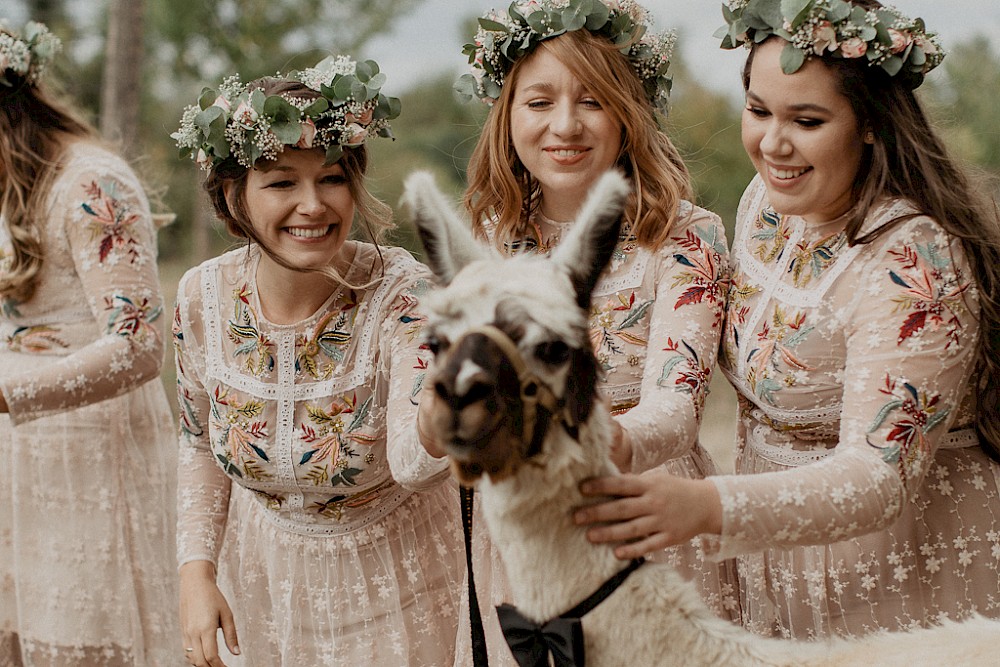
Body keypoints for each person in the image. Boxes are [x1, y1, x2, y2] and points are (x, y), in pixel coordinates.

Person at [575, 0, 1000, 640]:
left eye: (806, 120)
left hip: (905, 578)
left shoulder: (918, 259)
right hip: (777, 567)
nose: (773, 144)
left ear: (870, 124)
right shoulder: (766, 208)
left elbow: (877, 479)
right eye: (758, 111)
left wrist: (706, 506)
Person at [429, 1, 739, 661]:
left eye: (593, 100)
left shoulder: (685, 237)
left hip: (640, 515)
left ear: (629, 113)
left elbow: (677, 407)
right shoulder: (481, 244)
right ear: (506, 114)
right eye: (539, 101)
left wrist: (591, 447)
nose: (564, 124)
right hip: (525, 536)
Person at [170, 55, 465, 666]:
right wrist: (195, 574)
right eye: (281, 183)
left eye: (332, 178)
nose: (313, 205)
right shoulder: (201, 295)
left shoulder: (406, 295)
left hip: (404, 588)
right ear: (234, 195)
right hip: (265, 590)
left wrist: (442, 414)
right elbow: (199, 442)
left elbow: (414, 459)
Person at [0, 20, 181, 666]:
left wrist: (6, 390)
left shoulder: (90, 183)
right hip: (17, 472)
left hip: (95, 472)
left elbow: (138, 346)